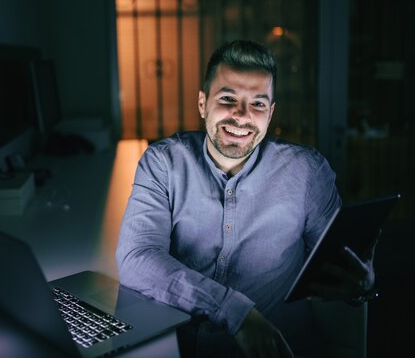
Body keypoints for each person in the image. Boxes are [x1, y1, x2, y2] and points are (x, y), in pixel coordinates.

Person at [116, 39, 377, 358]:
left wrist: (361, 286)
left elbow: (340, 266)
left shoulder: (307, 171)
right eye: (228, 99)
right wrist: (235, 312)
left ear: (271, 112)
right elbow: (136, 258)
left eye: (258, 104)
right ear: (203, 103)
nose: (242, 116)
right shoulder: (163, 163)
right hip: (177, 350)